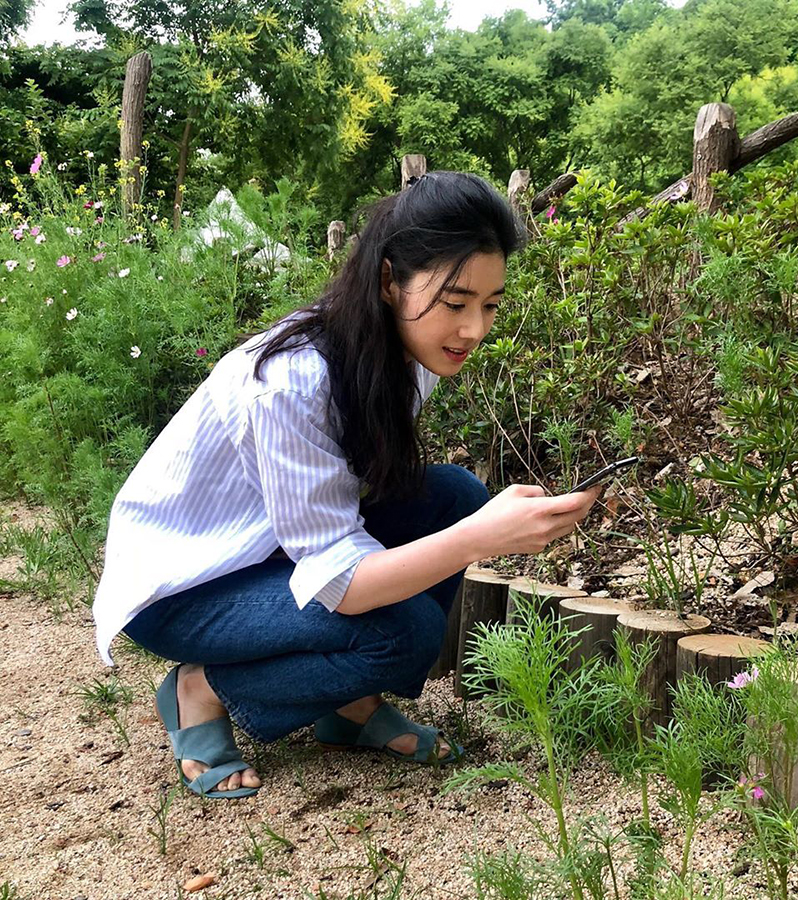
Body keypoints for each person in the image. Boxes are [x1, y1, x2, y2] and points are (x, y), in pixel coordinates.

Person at [92, 171, 600, 799]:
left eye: (490, 305)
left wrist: (470, 526)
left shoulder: (405, 355)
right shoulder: (294, 381)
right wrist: (477, 540)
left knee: (455, 498)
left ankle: (347, 706)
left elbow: (340, 519)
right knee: (404, 629)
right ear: (390, 281)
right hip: (185, 587)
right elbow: (339, 580)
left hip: (268, 551)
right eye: (455, 302)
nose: (474, 329)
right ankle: (202, 687)